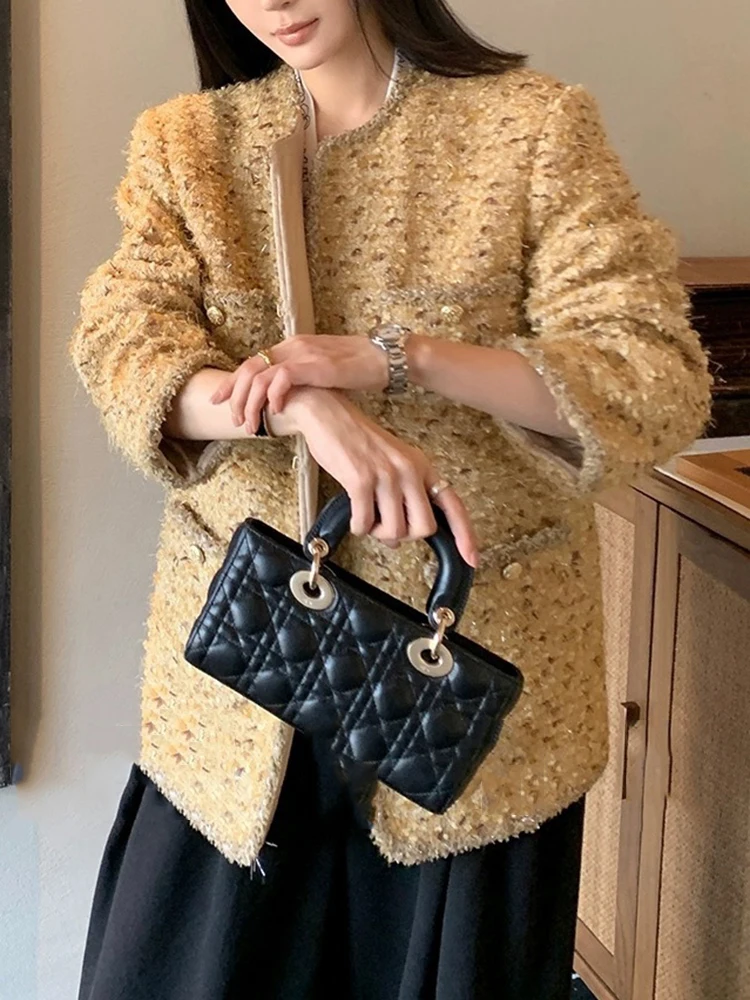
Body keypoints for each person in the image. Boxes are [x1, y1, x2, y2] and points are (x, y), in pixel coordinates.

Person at [69, 1, 713, 998]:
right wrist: (297, 403)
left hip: (465, 718)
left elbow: (652, 377)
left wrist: (396, 359)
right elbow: (125, 350)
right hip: (239, 711)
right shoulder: (187, 145)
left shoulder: (532, 128)